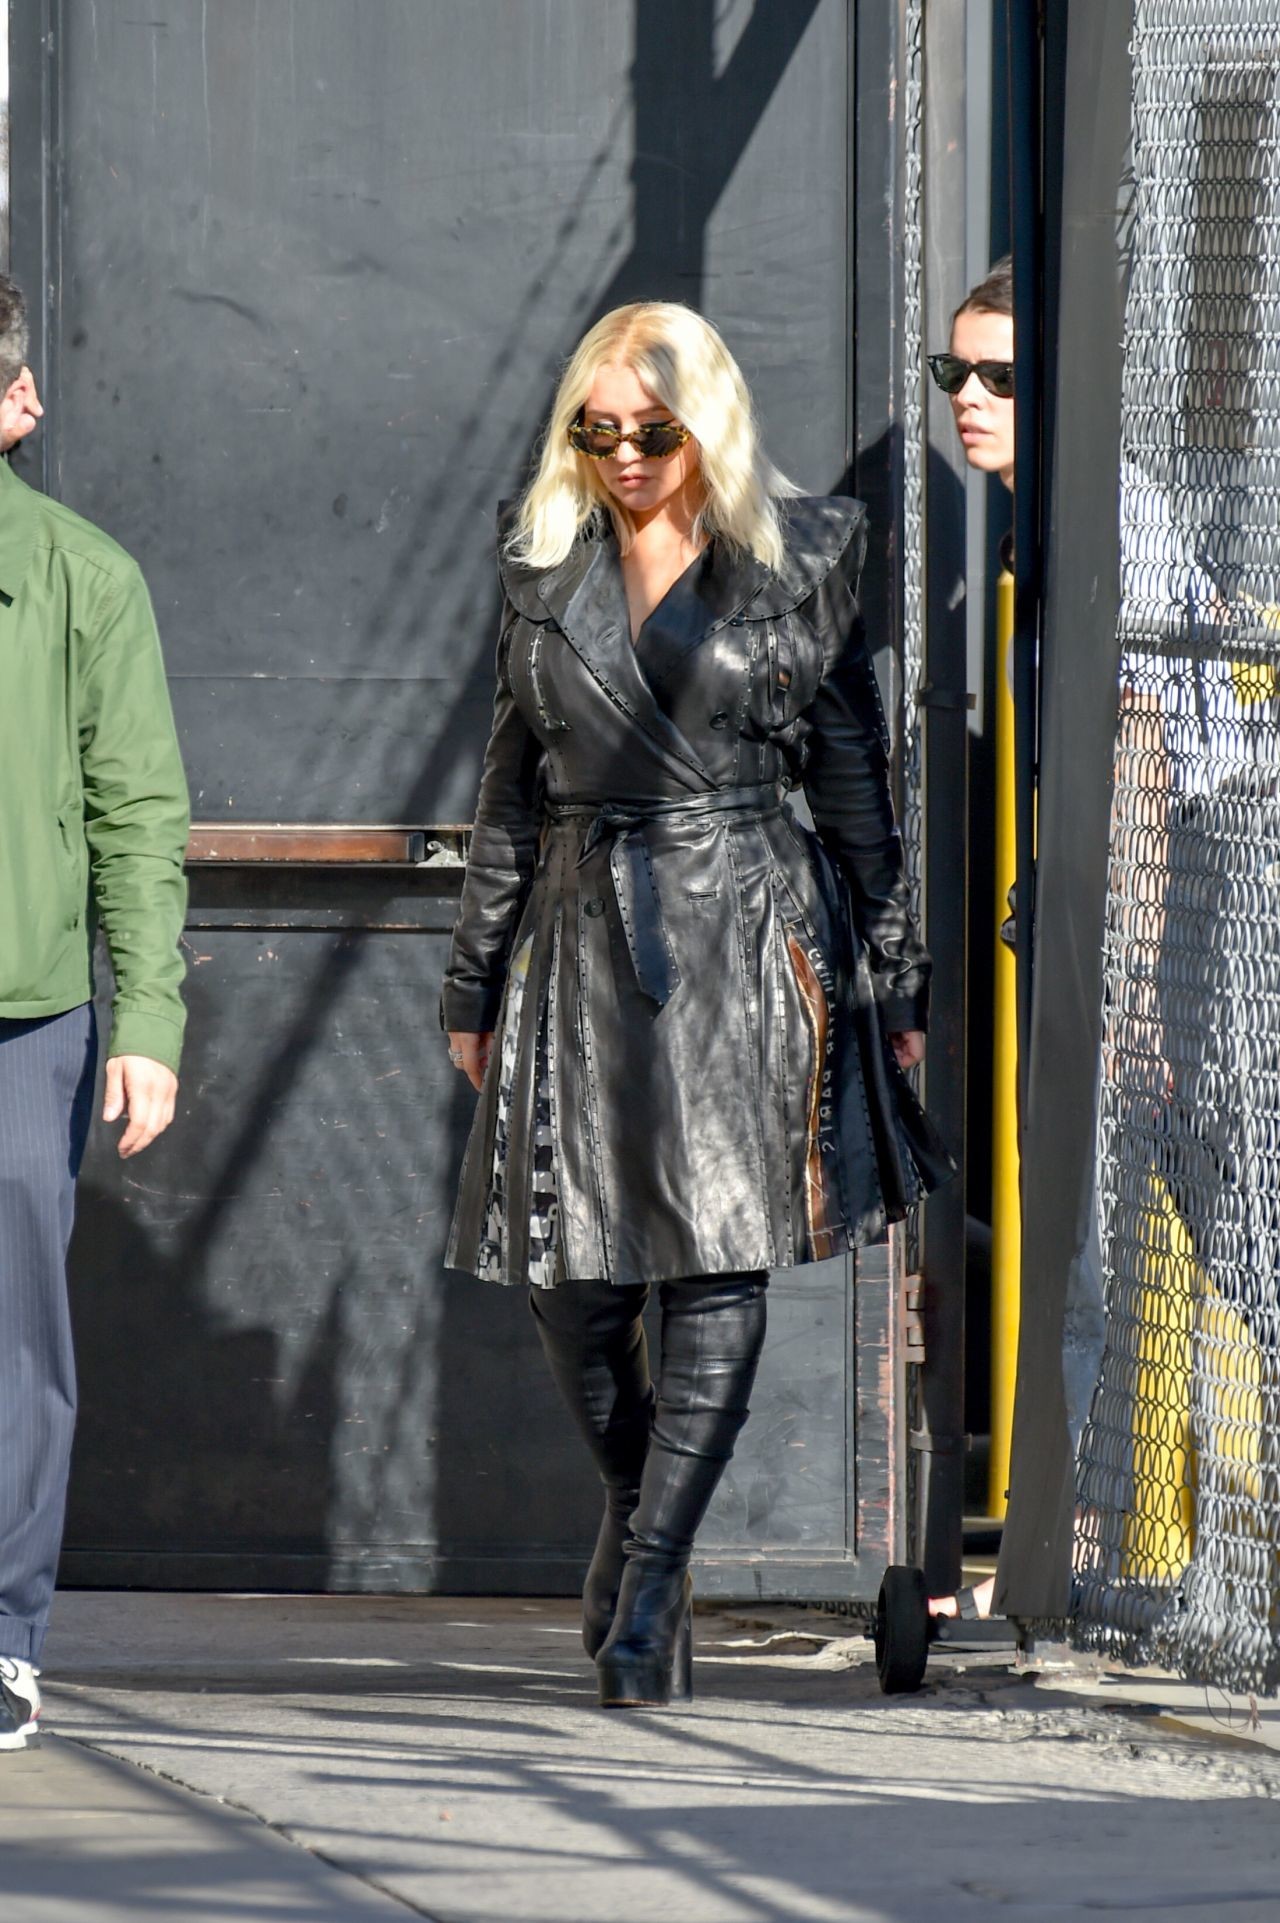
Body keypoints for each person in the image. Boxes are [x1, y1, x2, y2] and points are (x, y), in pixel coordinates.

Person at [442, 300, 951, 1707]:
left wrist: (895, 972)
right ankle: (635, 1510)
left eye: (651, 432)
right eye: (596, 430)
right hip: (579, 927)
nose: (622, 455)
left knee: (716, 1260)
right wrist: (473, 977)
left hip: (745, 923)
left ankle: (654, 1583)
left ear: (705, 426)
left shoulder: (802, 562)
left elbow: (853, 778)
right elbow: (508, 785)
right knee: (570, 1282)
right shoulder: (541, 561)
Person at [0, 276, 189, 1750]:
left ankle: (3, 1636)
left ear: (17, 404)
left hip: (27, 1019)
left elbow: (137, 816)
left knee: (14, 1341)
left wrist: (148, 1025)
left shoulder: (83, 581)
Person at [926, 257, 1016, 1626]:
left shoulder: (1117, 530)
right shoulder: (1004, 545)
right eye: (954, 372)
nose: (968, 398)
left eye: (998, 374)